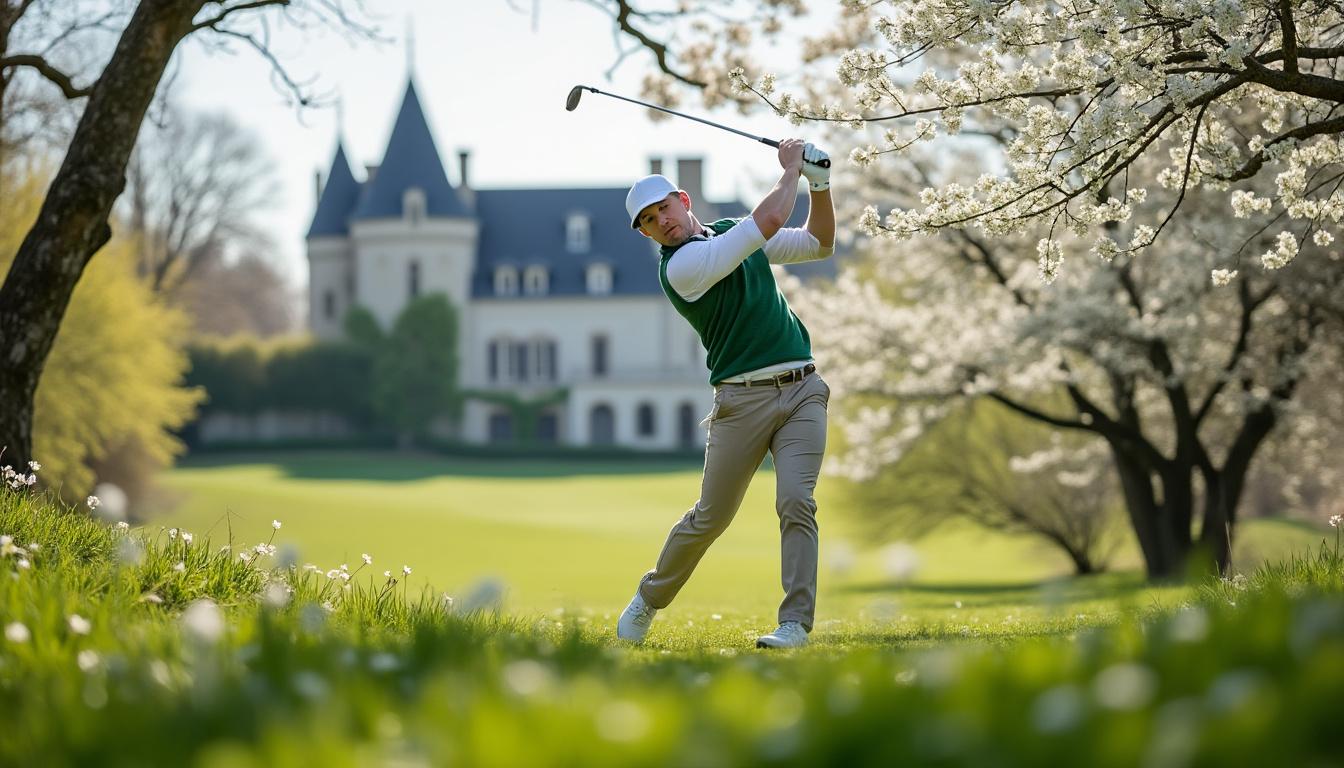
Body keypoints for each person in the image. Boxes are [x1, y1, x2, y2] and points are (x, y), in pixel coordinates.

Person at [617, 138, 835, 649]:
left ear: (684, 201)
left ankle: (794, 624)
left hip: (802, 389)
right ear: (647, 233)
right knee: (709, 518)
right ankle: (650, 597)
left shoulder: (728, 234)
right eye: (648, 221)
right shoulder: (681, 269)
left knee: (796, 501)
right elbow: (768, 224)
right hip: (741, 403)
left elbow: (819, 243)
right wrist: (791, 172)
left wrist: (820, 186)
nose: (660, 222)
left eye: (663, 208)